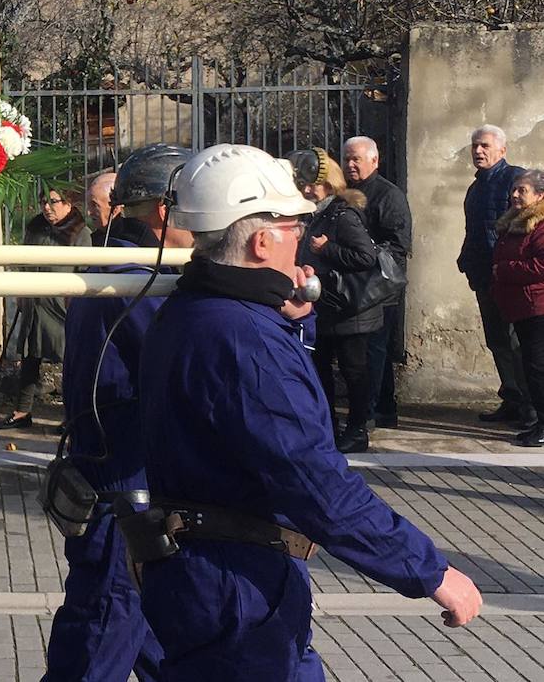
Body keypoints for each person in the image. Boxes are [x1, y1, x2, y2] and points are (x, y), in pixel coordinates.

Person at [133, 143, 481, 679]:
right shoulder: (244, 337)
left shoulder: (195, 311)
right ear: (262, 239)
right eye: (295, 223)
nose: (304, 237)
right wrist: (429, 571)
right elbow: (314, 478)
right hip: (238, 588)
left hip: (207, 577)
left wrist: (292, 322)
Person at [45, 144, 192, 682]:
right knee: (97, 646)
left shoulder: (119, 265)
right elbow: (189, 367)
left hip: (124, 490)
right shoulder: (138, 277)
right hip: (126, 497)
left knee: (162, 645)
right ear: (163, 210)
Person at [290, 148, 381, 455]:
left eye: (313, 186)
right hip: (327, 307)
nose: (306, 190)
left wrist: (328, 250)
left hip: (350, 309)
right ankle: (328, 425)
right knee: (321, 369)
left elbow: (365, 257)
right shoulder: (318, 213)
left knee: (354, 371)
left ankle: (357, 430)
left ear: (328, 185)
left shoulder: (342, 215)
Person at [0, 187, 89, 430]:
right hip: (34, 304)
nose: (47, 207)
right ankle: (22, 411)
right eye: (44, 201)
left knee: (70, 362)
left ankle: (72, 416)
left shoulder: (80, 232)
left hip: (61, 306)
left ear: (68, 203)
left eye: (53, 202)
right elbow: (24, 260)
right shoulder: (35, 227)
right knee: (29, 357)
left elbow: (85, 269)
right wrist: (22, 290)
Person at [457, 125, 531, 426]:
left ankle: (531, 406)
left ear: (502, 149)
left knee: (516, 344)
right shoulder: (475, 188)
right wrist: (465, 259)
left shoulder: (515, 180)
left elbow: (526, 225)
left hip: (509, 279)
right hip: (484, 277)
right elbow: (474, 230)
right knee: (497, 341)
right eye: (475, 146)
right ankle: (512, 399)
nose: (478, 151)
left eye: (485, 146)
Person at [343, 136, 411, 430]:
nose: (350, 164)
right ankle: (385, 407)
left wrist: (363, 255)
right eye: (346, 159)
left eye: (356, 159)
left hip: (379, 285)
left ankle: (369, 411)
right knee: (374, 348)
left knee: (373, 348)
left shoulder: (388, 195)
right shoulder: (347, 194)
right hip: (356, 283)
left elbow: (398, 245)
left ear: (374, 160)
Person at [491, 169, 544, 447]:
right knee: (531, 366)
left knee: (537, 368)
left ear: (539, 195)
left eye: (522, 190)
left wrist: (505, 270)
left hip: (537, 307)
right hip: (520, 306)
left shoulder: (541, 225)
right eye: (514, 189)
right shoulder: (515, 221)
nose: (514, 194)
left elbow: (540, 265)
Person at [85, 171, 119, 245]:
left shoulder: (135, 240)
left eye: (95, 205)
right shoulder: (93, 240)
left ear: (116, 207)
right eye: (89, 205)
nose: (88, 212)